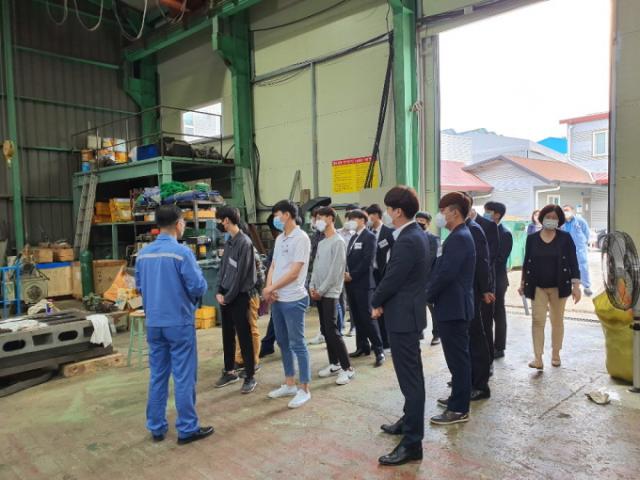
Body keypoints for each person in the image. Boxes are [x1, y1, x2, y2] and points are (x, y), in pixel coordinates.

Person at [135, 204, 213, 445]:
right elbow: (198, 287)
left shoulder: (143, 255)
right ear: (179, 224)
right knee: (183, 376)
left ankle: (156, 427)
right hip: (179, 323)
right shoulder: (182, 253)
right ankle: (187, 428)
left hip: (154, 323)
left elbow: (139, 287)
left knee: (158, 375)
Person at [373, 186, 431, 466]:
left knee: (411, 381)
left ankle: (412, 444)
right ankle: (408, 422)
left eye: (388, 208)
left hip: (403, 317)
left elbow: (393, 278)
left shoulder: (409, 239)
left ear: (397, 211)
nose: (386, 213)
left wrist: (375, 300)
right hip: (406, 313)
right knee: (411, 376)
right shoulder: (414, 234)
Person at [426, 192, 475, 426]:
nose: (441, 215)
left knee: (458, 359)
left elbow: (446, 273)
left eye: (443, 211)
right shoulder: (457, 235)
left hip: (454, 307)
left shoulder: (459, 237)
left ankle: (459, 409)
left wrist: (427, 294)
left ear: (454, 212)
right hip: (452, 305)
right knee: (456, 358)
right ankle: (457, 398)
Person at [263, 200, 313, 408]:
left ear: (287, 215)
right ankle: (290, 383)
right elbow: (273, 265)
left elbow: (294, 272)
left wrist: (271, 288)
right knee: (283, 342)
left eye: (277, 214)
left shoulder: (301, 238)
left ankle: (304, 389)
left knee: (297, 344)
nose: (275, 219)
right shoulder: (280, 238)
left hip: (293, 299)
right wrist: (270, 287)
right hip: (277, 298)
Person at [520, 205, 581, 369]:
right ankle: (538, 358)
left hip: (559, 287)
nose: (551, 220)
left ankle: (555, 353)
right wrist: (522, 283)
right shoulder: (532, 238)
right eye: (548, 216)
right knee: (537, 321)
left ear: (559, 220)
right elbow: (527, 262)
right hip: (537, 286)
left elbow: (573, 262)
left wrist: (576, 286)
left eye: (555, 218)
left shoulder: (565, 238)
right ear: (542, 218)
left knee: (557, 321)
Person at [214, 207, 258, 394]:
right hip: (225, 296)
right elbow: (223, 268)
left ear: (227, 220)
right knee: (227, 335)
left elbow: (241, 276)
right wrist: (218, 291)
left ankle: (250, 376)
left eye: (220, 220)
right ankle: (229, 371)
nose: (219, 223)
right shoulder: (229, 241)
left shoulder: (244, 243)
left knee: (244, 336)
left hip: (239, 296)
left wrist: (228, 296)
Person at [309, 207, 355, 385]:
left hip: (330, 292)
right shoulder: (322, 243)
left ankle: (347, 368)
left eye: (320, 217)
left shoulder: (338, 241)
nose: (317, 221)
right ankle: (334, 363)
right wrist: (312, 286)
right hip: (319, 291)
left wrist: (321, 290)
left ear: (330, 218)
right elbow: (316, 267)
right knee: (325, 329)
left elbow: (336, 271)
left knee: (333, 330)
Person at [460, 195, 493, 402]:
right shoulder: (462, 228)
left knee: (476, 338)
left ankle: (481, 385)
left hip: (473, 291)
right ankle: (469, 380)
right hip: (464, 291)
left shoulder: (474, 229)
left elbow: (483, 262)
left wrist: (486, 289)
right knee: (468, 339)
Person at [345, 209, 385, 367]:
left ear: (362, 220)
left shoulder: (369, 237)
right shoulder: (353, 237)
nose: (349, 222)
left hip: (363, 284)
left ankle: (379, 349)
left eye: (352, 219)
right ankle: (362, 346)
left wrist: (352, 275)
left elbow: (367, 260)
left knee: (368, 317)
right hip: (351, 283)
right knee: (356, 316)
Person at [469, 200, 500, 362]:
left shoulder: (488, 225)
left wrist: (485, 285)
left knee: (485, 324)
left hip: (483, 283)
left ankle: (488, 361)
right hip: (466, 285)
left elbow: (490, 257)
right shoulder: (458, 226)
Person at [484, 202, 513, 359]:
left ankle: (499, 347)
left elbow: (500, 259)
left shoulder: (505, 233)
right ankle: (487, 345)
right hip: (486, 278)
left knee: (498, 312)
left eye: (488, 211)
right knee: (486, 313)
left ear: (497, 215)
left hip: (498, 279)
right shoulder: (484, 229)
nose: (485, 214)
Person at [365, 203, 395, 350]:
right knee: (375, 306)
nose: (368, 219)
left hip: (385, 274)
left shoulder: (389, 232)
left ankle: (387, 340)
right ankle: (379, 340)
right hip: (372, 274)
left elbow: (393, 254)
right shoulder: (368, 233)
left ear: (376, 215)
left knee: (385, 306)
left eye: (369, 215)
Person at [415, 211, 441, 345]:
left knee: (432, 308)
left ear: (428, 223)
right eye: (417, 220)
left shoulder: (433, 238)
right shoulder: (413, 237)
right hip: (415, 280)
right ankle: (419, 332)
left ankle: (437, 334)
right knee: (417, 307)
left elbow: (431, 259)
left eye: (422, 220)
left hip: (429, 278)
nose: (419, 222)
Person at [259, 214, 281, 359]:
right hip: (275, 286)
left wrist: (273, 287)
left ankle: (268, 344)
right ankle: (268, 344)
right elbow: (272, 265)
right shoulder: (278, 241)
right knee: (276, 317)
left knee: (280, 317)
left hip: (284, 288)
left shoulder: (294, 240)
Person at [562, 204, 592, 297]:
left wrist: (583, 243)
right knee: (567, 267)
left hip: (579, 248)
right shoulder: (561, 223)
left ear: (572, 211)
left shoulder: (580, 221)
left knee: (583, 267)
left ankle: (587, 287)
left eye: (567, 210)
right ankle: (569, 287)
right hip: (566, 248)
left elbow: (586, 233)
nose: (565, 212)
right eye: (564, 210)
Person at [308, 208, 327, 346]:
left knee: (335, 308)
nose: (315, 221)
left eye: (318, 218)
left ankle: (334, 331)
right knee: (321, 308)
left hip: (327, 277)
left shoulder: (330, 236)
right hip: (317, 273)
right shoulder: (316, 235)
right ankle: (323, 332)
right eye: (315, 218)